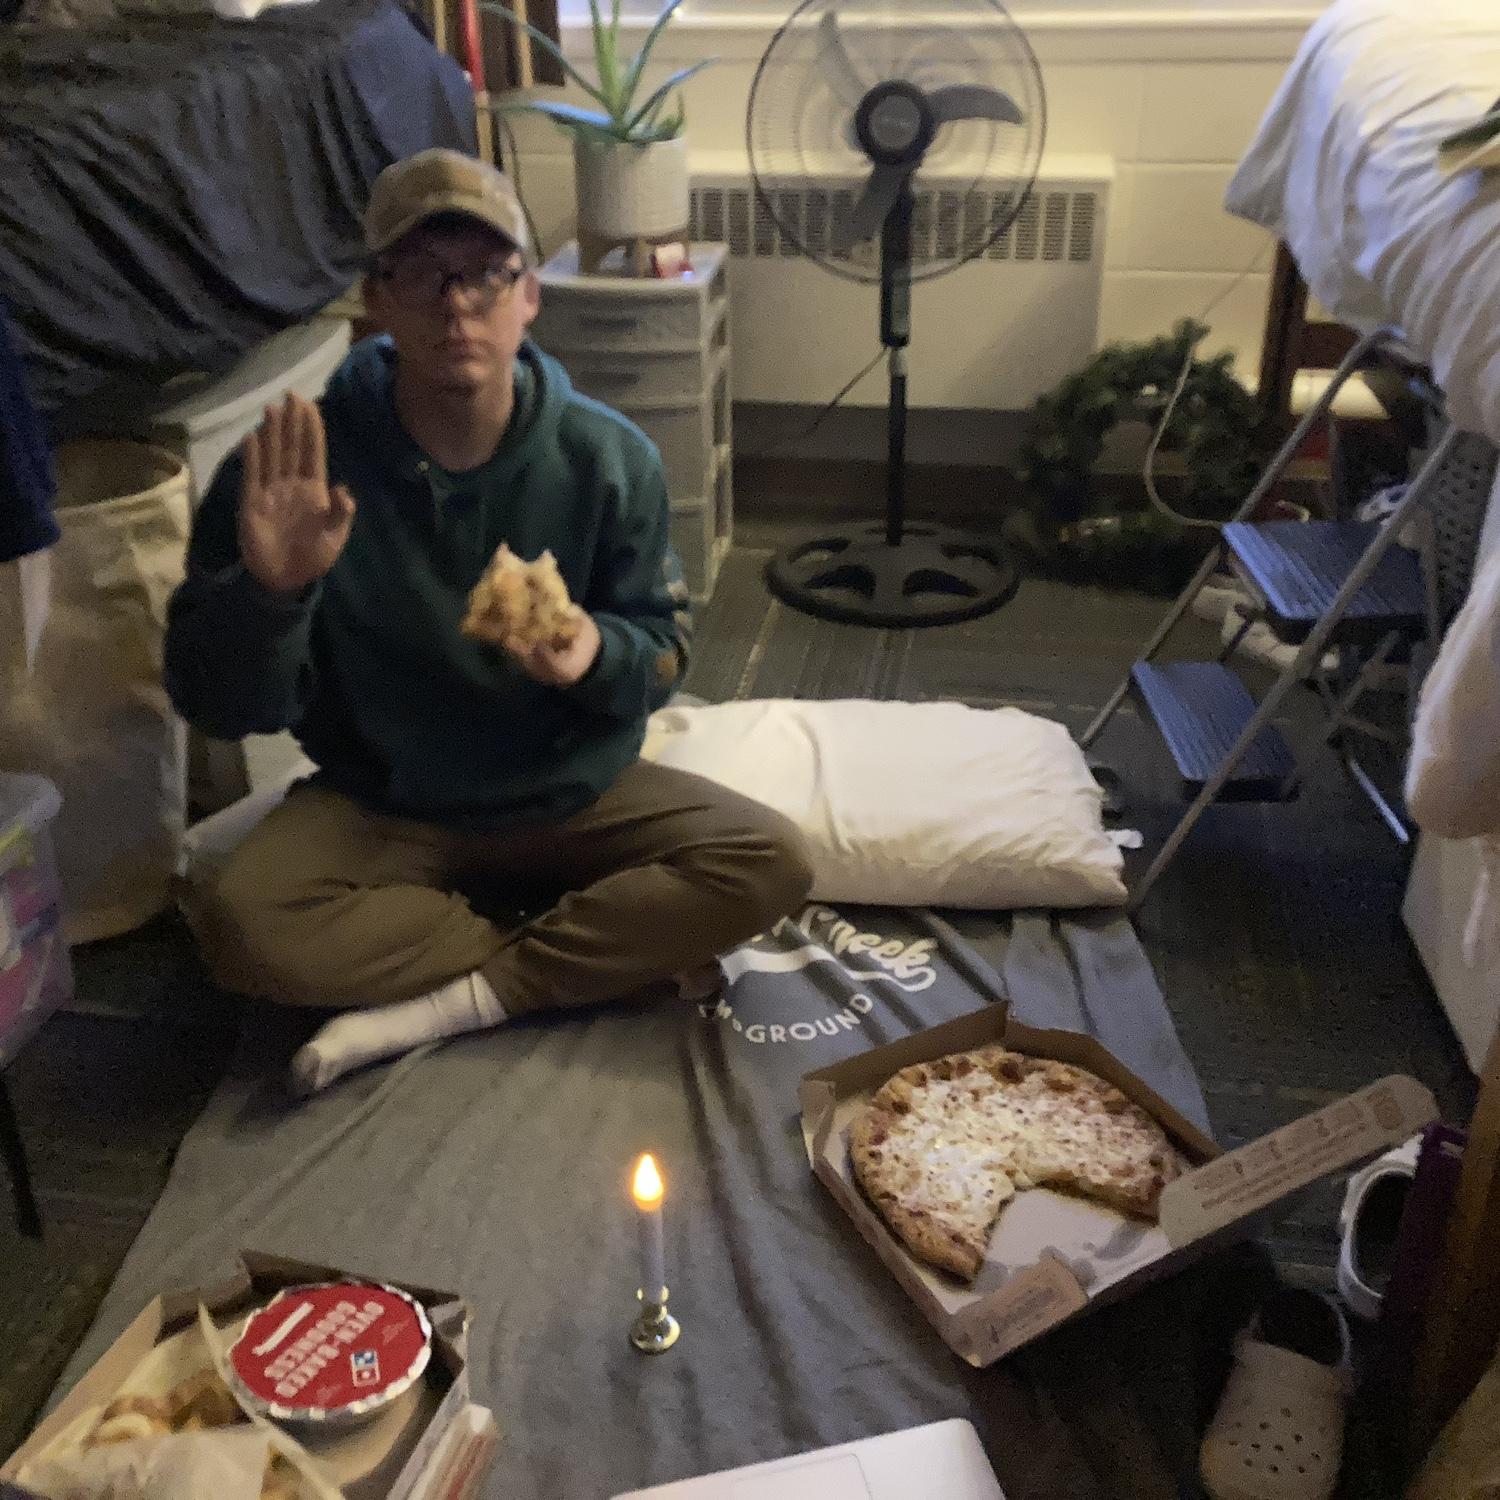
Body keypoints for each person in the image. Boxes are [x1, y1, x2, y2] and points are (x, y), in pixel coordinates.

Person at [165, 149, 813, 1094]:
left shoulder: (608, 458)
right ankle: (570, 956)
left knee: (773, 863)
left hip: (570, 795)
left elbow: (666, 650)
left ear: (529, 297)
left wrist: (598, 652)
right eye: (422, 277)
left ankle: (461, 995)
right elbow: (222, 707)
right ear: (375, 300)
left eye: (485, 275)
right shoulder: (296, 470)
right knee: (238, 923)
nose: (456, 305)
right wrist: (272, 594)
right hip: (385, 803)